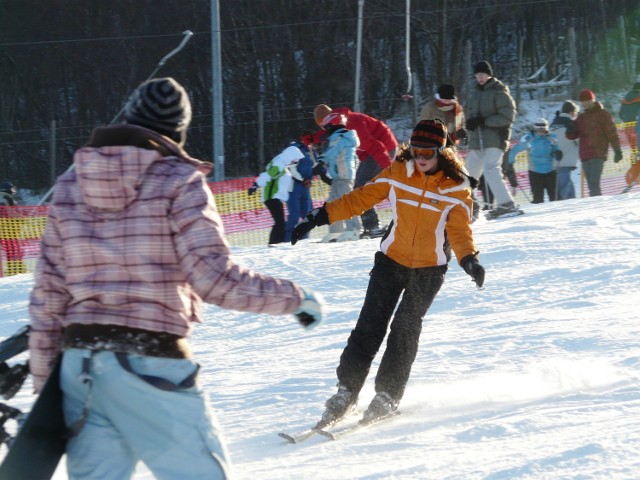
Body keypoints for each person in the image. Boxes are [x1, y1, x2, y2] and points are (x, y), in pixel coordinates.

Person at [28, 77, 324, 480]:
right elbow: (215, 279)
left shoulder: (69, 185)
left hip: (80, 369)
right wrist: (296, 297)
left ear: (130, 117)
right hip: (148, 362)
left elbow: (47, 296)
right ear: (177, 131)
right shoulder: (177, 180)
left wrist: (47, 387)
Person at [290, 119, 484, 425]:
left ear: (441, 151)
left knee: (405, 329)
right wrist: (318, 216)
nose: (421, 157)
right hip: (390, 261)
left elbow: (459, 231)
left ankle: (388, 395)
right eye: (417, 149)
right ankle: (347, 390)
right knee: (369, 325)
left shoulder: (456, 187)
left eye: (428, 151)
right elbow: (359, 199)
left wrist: (469, 259)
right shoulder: (398, 172)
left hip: (428, 269)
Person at [314, 103, 398, 238]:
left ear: (330, 119)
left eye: (324, 124)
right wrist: (313, 139)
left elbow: (376, 146)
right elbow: (326, 133)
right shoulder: (338, 122)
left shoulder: (353, 124)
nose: (323, 128)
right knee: (357, 187)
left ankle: (373, 227)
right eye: (320, 125)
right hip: (368, 153)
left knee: (360, 187)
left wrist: (388, 168)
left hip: (384, 148)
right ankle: (371, 225)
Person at [465, 60, 521, 219]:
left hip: (495, 139)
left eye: (482, 74)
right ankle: (466, 204)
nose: (480, 78)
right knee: (470, 173)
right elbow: (469, 113)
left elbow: (508, 115)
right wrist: (469, 123)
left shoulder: (499, 91)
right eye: (477, 75)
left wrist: (485, 121)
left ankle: (506, 203)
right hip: (477, 140)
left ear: (489, 74)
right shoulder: (475, 94)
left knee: (491, 169)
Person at [565, 89, 623, 197]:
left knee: (594, 183)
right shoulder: (581, 117)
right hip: (585, 155)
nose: (584, 103)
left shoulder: (603, 114)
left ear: (593, 100)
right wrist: (569, 130)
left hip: (598, 154)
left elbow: (611, 133)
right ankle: (596, 204)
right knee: (591, 184)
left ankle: (597, 205)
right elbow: (573, 135)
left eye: (587, 100)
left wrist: (617, 150)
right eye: (582, 101)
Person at [317, 112, 361, 242]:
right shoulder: (343, 138)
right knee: (332, 204)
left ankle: (354, 230)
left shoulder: (340, 138)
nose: (326, 130)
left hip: (344, 176)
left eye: (327, 127)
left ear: (333, 125)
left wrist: (321, 161)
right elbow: (355, 159)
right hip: (340, 176)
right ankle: (336, 231)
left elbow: (333, 152)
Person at [248, 144, 303, 245]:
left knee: (280, 221)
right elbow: (267, 175)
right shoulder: (279, 164)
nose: (295, 162)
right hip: (271, 196)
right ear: (290, 156)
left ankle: (277, 243)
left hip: (276, 197)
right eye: (295, 159)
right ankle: (274, 244)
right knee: (280, 222)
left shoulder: (283, 164)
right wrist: (256, 185)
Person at [508, 118, 562, 204]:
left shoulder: (552, 138)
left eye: (543, 131)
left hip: (550, 171)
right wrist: (510, 162)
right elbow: (514, 150)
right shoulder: (528, 139)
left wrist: (557, 154)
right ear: (535, 129)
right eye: (539, 130)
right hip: (535, 173)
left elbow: (555, 150)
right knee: (538, 200)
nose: (541, 133)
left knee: (556, 198)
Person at [283, 136, 315, 243]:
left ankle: (305, 240)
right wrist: (303, 180)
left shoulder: (310, 151)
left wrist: (310, 180)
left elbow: (314, 167)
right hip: (293, 187)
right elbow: (291, 168)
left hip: (305, 188)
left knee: (307, 214)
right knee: (294, 215)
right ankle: (288, 240)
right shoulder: (296, 148)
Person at [550, 100, 580, 200]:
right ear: (571, 112)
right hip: (566, 160)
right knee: (565, 189)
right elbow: (578, 140)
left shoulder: (554, 123)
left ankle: (573, 205)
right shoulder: (570, 124)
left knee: (568, 187)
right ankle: (566, 208)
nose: (576, 115)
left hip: (555, 160)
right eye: (575, 113)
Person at [619, 81, 640, 157]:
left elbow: (620, 114)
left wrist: (626, 120)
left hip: (627, 126)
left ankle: (634, 165)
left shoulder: (625, 99)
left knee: (633, 148)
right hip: (637, 125)